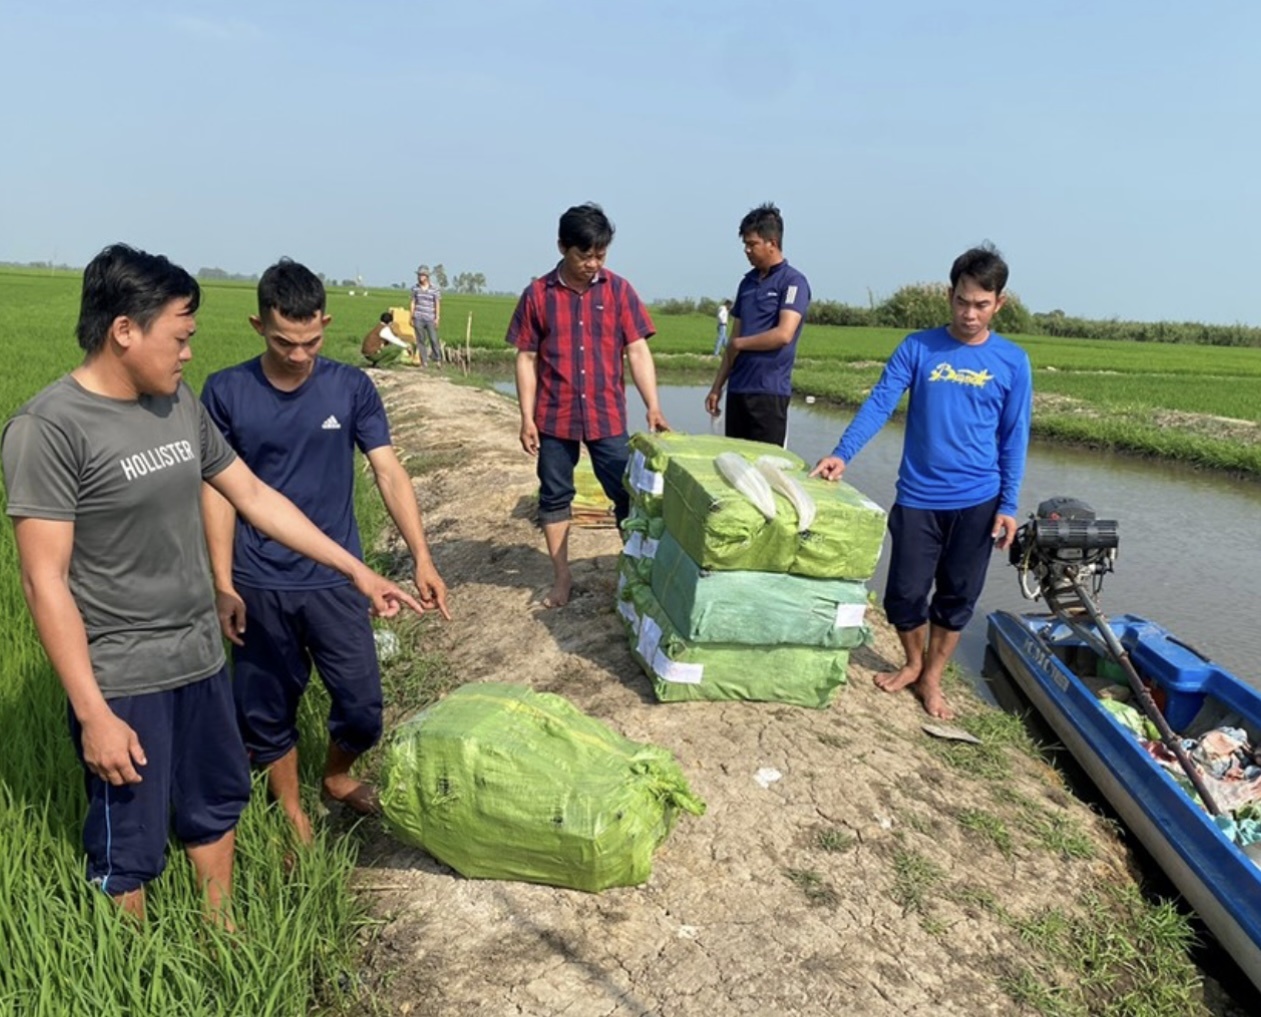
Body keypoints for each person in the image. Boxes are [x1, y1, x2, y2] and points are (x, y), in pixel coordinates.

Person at [1, 244, 420, 924]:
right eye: (181, 335)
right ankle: (128, 967)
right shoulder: (49, 429)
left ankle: (221, 929)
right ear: (124, 330)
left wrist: (355, 567)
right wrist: (92, 713)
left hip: (197, 655)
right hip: (123, 673)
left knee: (215, 798)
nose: (189, 352)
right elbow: (41, 580)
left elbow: (252, 494)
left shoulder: (175, 404)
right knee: (128, 837)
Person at [201, 259, 450, 844]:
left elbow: (388, 472)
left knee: (363, 706)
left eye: (311, 340)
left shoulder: (351, 387)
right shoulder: (227, 391)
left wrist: (421, 555)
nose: (298, 354)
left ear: (326, 323)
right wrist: (223, 582)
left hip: (339, 579)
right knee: (265, 708)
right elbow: (218, 495)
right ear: (257, 325)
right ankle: (290, 810)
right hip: (258, 580)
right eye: (285, 341)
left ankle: (335, 775)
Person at [810, 244, 1032, 721]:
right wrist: (841, 454)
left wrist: (1009, 504)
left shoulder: (1013, 362)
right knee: (904, 595)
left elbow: (1015, 438)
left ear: (999, 303)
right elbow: (879, 403)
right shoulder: (918, 348)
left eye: (980, 304)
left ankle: (932, 678)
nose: (969, 314)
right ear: (949, 295)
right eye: (961, 301)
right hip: (918, 496)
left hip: (978, 499)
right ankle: (913, 662)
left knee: (956, 598)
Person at [507, 202, 668, 609]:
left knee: (626, 495)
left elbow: (637, 350)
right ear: (563, 247)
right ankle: (562, 578)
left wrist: (653, 405)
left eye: (601, 255)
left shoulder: (618, 290)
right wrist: (526, 417)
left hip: (607, 415)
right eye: (585, 255)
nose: (593, 264)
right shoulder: (538, 296)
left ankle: (634, 571)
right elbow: (526, 358)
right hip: (554, 416)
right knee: (555, 496)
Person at [705, 203, 810, 446]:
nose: (747, 250)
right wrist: (717, 387)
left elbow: (784, 334)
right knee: (735, 469)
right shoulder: (747, 283)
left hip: (769, 392)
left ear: (772, 243)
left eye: (752, 244)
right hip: (739, 389)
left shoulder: (793, 282)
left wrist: (741, 343)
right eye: (745, 244)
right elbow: (733, 342)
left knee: (767, 470)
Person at [409, 265, 442, 367]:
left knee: (433, 339)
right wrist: (411, 316)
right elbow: (413, 302)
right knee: (420, 340)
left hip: (430, 317)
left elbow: (437, 303)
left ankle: (438, 359)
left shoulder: (434, 289)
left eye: (422, 275)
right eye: (419, 275)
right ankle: (424, 361)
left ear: (427, 276)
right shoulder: (415, 288)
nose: (420, 277)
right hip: (418, 316)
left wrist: (437, 317)